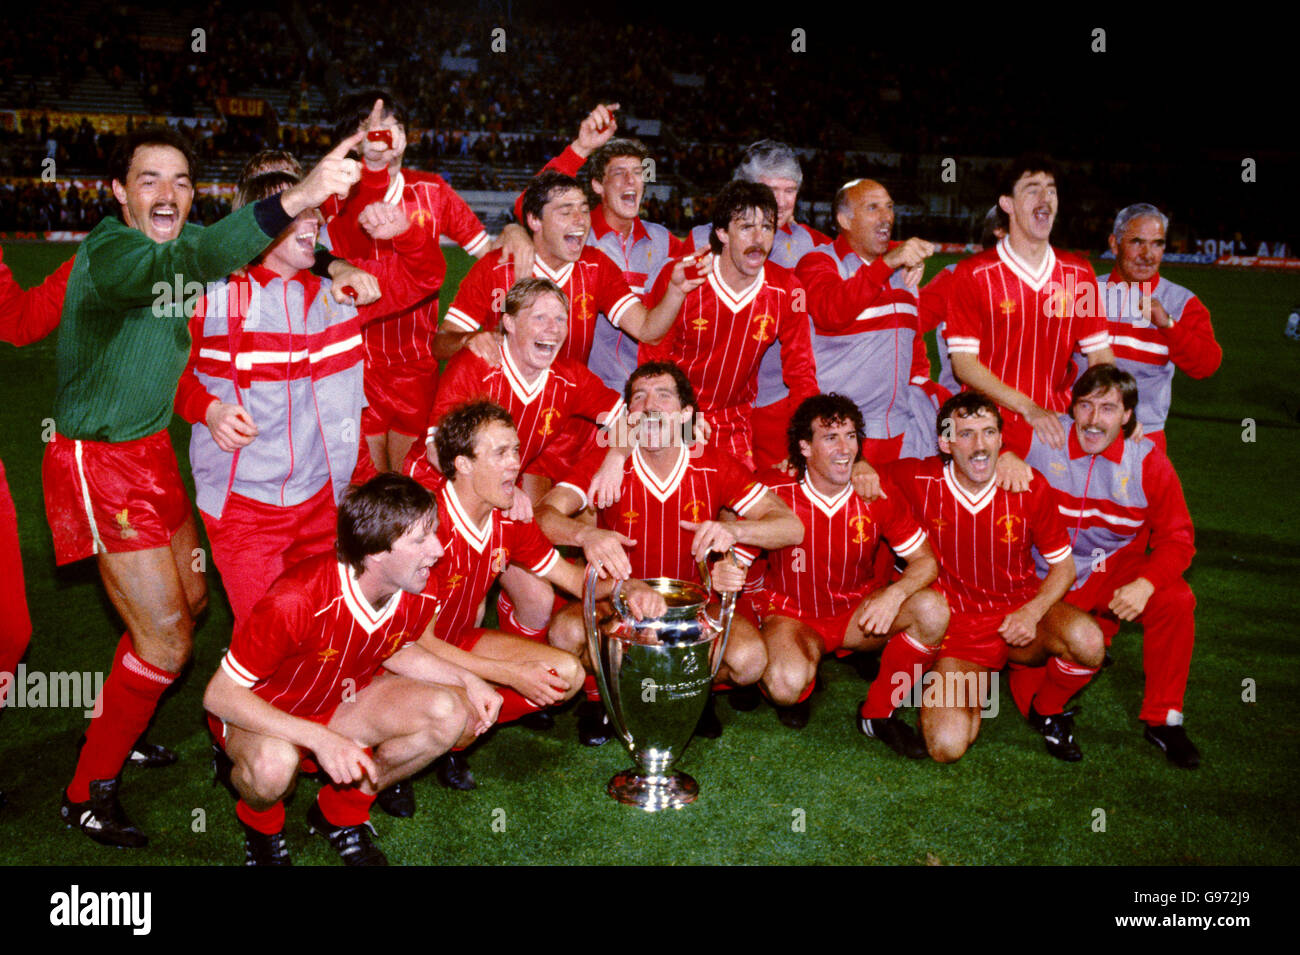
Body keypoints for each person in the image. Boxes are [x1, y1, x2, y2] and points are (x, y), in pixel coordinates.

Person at [46, 124, 365, 848]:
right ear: (120, 194)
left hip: (150, 452)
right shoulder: (115, 250)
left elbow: (211, 306)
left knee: (185, 603)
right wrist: (302, 197)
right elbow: (200, 257)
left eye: (182, 181)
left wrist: (333, 258)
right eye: (149, 179)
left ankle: (118, 727)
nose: (167, 193)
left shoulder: (187, 273)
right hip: (100, 461)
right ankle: (85, 790)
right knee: (163, 641)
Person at [173, 166, 440, 631]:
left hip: (324, 502)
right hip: (245, 511)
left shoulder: (339, 294)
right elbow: (165, 374)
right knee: (264, 640)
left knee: (318, 634)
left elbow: (423, 278)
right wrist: (207, 409)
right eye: (296, 210)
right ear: (256, 227)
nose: (313, 219)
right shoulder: (214, 299)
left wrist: (406, 234)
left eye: (312, 209)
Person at [203, 474, 501, 865]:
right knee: (273, 769)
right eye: (420, 540)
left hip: (339, 702)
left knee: (448, 713)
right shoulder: (297, 599)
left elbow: (396, 647)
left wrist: (469, 679)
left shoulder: (416, 583)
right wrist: (320, 739)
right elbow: (218, 695)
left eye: (435, 533)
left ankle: (338, 816)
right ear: (376, 552)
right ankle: (263, 829)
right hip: (267, 714)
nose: (438, 549)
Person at [408, 400, 666, 792]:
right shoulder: (425, 527)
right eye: (500, 453)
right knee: (457, 716)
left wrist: (629, 585)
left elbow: (573, 579)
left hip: (456, 639)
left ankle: (459, 732)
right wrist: (512, 675)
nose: (515, 462)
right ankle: (385, 771)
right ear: (462, 464)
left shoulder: (506, 519)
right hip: (403, 654)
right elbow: (417, 642)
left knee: (565, 676)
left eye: (515, 450)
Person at [538, 361, 802, 744]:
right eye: (640, 398)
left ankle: (691, 688)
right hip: (620, 598)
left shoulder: (712, 465)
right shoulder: (606, 463)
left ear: (685, 415)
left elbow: (790, 526)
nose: (651, 406)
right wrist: (584, 535)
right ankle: (606, 695)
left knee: (750, 662)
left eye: (664, 396)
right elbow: (542, 514)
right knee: (564, 633)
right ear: (629, 416)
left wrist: (733, 530)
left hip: (690, 605)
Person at [883, 391, 1104, 761]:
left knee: (1089, 642)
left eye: (988, 432)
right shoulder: (917, 477)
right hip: (960, 633)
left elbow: (1063, 568)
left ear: (1002, 440)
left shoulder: (1028, 486)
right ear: (945, 442)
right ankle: (976, 679)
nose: (980, 445)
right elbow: (864, 475)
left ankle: (1046, 708)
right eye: (966, 434)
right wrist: (859, 467)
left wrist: (1032, 612)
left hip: (1021, 622)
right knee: (946, 746)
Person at [409, 277, 630, 638]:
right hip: (439, 489)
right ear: (508, 323)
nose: (553, 329)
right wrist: (503, 488)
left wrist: (616, 457)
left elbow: (631, 420)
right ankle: (446, 675)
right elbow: (437, 449)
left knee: (538, 601)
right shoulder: (478, 363)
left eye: (560, 319)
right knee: (462, 603)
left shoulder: (568, 379)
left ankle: (501, 676)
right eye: (540, 318)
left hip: (500, 496)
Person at [323, 92, 528, 473]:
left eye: (395, 126)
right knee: (366, 493)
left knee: (413, 488)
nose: (386, 135)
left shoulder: (433, 191)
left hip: (417, 365)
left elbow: (489, 253)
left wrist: (515, 230)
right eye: (373, 128)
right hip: (353, 363)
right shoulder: (336, 194)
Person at [1009, 364, 1201, 767]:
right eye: (1086, 405)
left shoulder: (1147, 461)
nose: (1095, 419)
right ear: (1071, 407)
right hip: (1039, 575)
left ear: (1129, 415)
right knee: (1030, 695)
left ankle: (1163, 719)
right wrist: (1005, 454)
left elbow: (1179, 538)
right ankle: (1070, 659)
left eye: (1109, 408)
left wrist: (1146, 584)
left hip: (1109, 571)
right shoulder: (1041, 435)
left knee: (1175, 598)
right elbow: (968, 440)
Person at [755, 394, 946, 732]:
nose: (845, 448)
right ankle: (802, 678)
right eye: (831, 438)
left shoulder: (875, 493)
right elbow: (731, 530)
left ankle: (877, 712)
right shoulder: (774, 490)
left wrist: (894, 594)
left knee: (933, 610)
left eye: (851, 436)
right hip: (792, 613)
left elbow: (925, 562)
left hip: (856, 613)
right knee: (785, 686)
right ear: (804, 447)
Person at [436, 169, 698, 370]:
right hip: (505, 414)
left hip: (569, 417)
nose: (580, 220)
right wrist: (468, 341)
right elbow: (442, 342)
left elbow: (646, 331)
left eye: (584, 210)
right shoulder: (495, 267)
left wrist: (676, 290)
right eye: (566, 211)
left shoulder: (597, 266)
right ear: (535, 220)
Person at [509, 104, 688, 393]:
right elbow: (527, 205)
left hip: (645, 393)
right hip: (582, 392)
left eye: (638, 172)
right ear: (597, 185)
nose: (631, 180)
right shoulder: (576, 236)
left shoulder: (665, 242)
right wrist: (580, 148)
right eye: (619, 173)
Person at [642, 180, 817, 469]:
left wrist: (808, 438)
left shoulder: (787, 289)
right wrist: (680, 417)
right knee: (680, 504)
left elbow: (801, 374)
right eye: (747, 227)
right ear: (722, 232)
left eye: (767, 227)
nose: (759, 239)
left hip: (733, 423)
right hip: (676, 416)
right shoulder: (685, 276)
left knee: (740, 511)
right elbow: (651, 361)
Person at [945, 154, 1114, 450]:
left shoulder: (1078, 272)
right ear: (1007, 204)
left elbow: (1100, 355)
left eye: (1051, 189)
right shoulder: (972, 274)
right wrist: (1029, 408)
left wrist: (1110, 410)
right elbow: (964, 365)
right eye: (1032, 189)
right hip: (987, 429)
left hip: (1056, 428)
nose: (1045, 197)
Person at [687, 141, 824, 470]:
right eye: (769, 188)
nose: (779, 200)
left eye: (789, 190)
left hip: (777, 398)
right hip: (709, 401)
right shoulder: (699, 242)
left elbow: (856, 251)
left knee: (773, 491)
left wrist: (902, 261)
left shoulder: (813, 245)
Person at [795, 179, 939, 464]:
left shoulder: (903, 270)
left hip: (902, 431)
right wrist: (885, 264)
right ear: (844, 219)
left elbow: (915, 347)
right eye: (873, 208)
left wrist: (923, 391)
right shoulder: (819, 263)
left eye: (889, 207)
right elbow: (832, 312)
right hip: (842, 434)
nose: (886, 216)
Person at [1088, 203, 1222, 451]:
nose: (1148, 254)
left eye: (1157, 243)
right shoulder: (1084, 294)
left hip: (1143, 440)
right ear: (1114, 244)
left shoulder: (1181, 302)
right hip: (1080, 435)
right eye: (1137, 242)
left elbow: (1206, 365)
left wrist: (1168, 325)